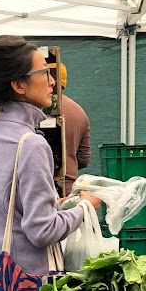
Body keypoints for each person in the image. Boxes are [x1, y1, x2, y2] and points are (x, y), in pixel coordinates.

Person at [0, 35, 100, 288]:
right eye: (45, 72)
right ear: (19, 85)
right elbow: (42, 232)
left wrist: (55, 206)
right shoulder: (31, 144)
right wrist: (84, 209)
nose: (53, 81)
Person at [48, 61, 91, 196]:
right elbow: (83, 159)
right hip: (68, 190)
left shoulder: (36, 110)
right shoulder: (79, 112)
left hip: (40, 190)